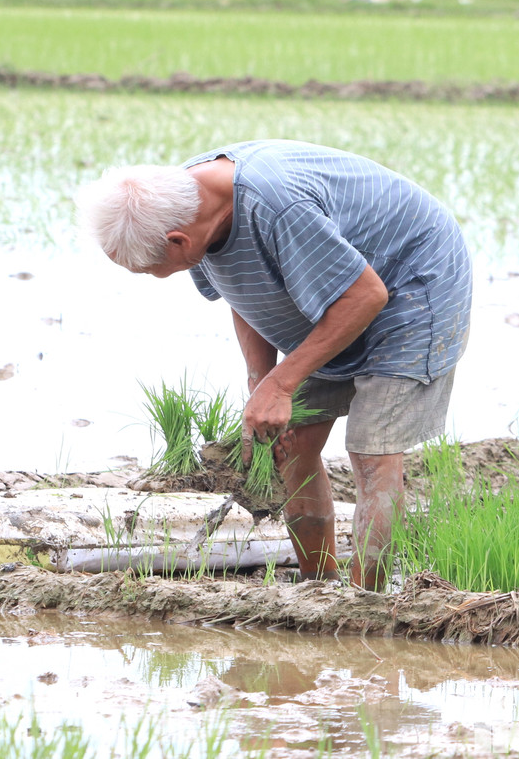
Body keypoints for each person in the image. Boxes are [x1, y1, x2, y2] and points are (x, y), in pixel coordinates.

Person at [77, 139, 472, 588]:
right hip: (337, 287)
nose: (152, 277)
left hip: (412, 281)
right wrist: (261, 383)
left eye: (150, 269)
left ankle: (367, 601)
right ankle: (317, 586)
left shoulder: (275, 207)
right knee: (290, 445)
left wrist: (281, 386)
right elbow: (244, 291)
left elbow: (366, 295)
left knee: (371, 453)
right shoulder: (182, 207)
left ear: (177, 242)